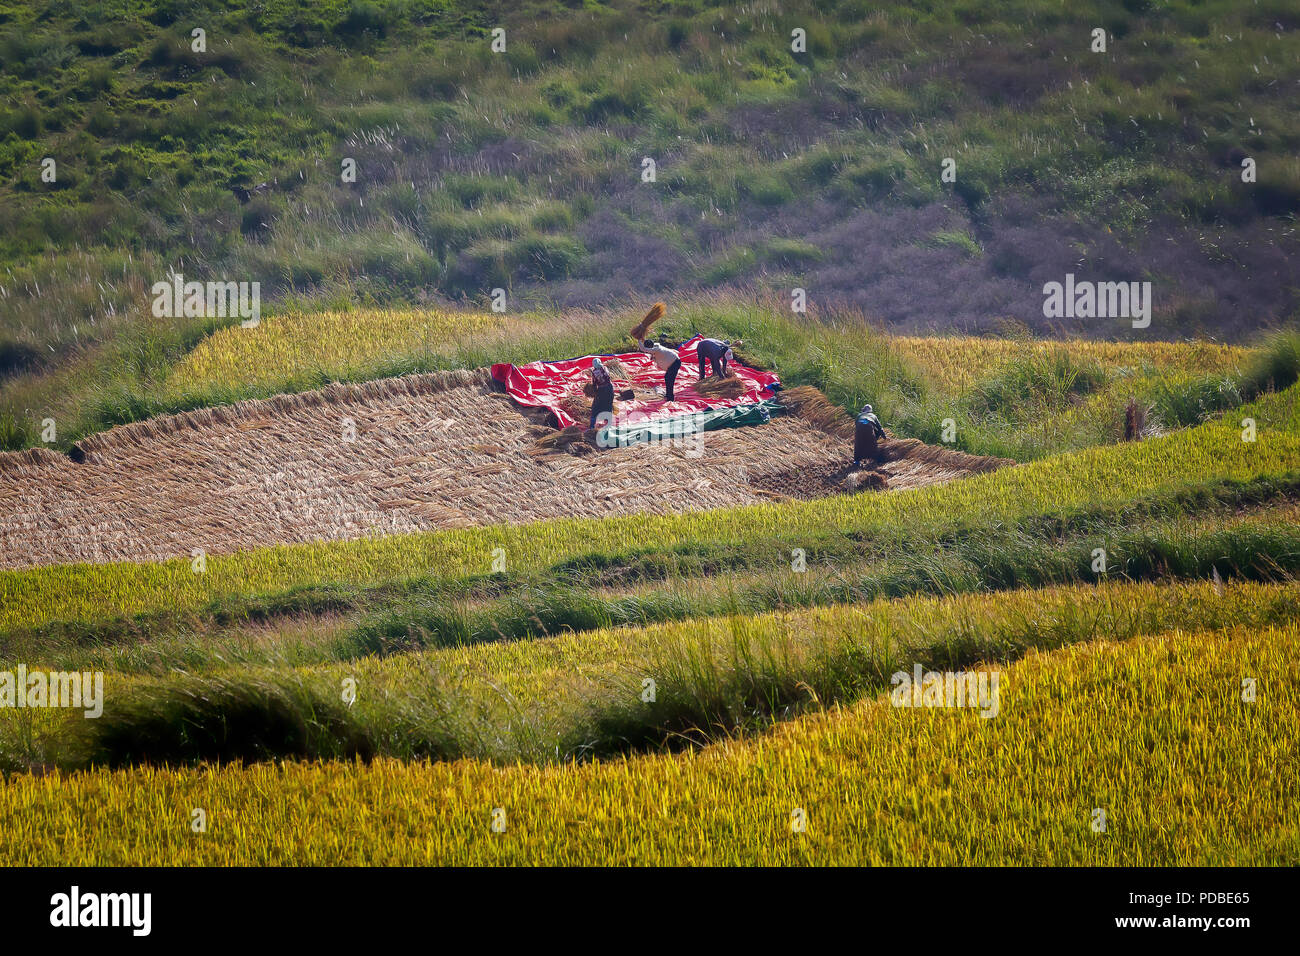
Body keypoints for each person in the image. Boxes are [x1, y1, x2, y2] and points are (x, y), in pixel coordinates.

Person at [589, 357, 615, 430]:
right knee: (608, 406)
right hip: (610, 389)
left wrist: (592, 390)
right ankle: (608, 425)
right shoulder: (605, 368)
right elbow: (608, 377)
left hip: (601, 390)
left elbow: (594, 383)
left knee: (595, 407)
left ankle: (592, 426)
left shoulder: (594, 372)